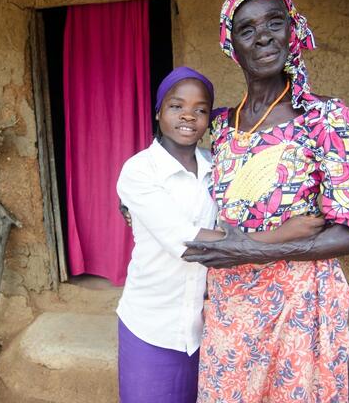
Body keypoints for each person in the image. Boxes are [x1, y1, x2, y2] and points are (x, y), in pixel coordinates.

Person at [182, 0, 349, 402]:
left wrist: (254, 250)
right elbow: (177, 174)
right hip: (230, 306)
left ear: (294, 31)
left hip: (299, 307)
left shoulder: (328, 120)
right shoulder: (219, 127)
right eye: (247, 29)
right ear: (230, 45)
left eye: (275, 22)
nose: (264, 36)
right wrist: (133, 201)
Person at [116, 66, 325, 403]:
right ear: (158, 112)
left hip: (212, 329)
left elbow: (252, 210)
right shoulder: (139, 170)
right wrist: (284, 235)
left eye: (200, 109)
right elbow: (188, 244)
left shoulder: (220, 165)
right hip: (152, 326)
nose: (188, 116)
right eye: (176, 106)